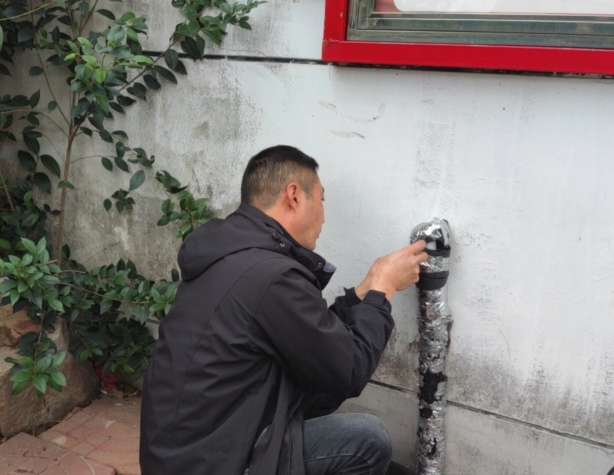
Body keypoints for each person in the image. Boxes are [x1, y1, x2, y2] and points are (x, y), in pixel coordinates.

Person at [140, 145, 428, 475]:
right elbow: (349, 370)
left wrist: (362, 293)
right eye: (321, 199)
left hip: (181, 453)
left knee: (320, 384)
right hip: (214, 463)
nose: (323, 215)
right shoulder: (270, 275)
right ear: (294, 196)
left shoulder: (231, 255)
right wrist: (384, 289)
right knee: (368, 440)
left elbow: (321, 347)